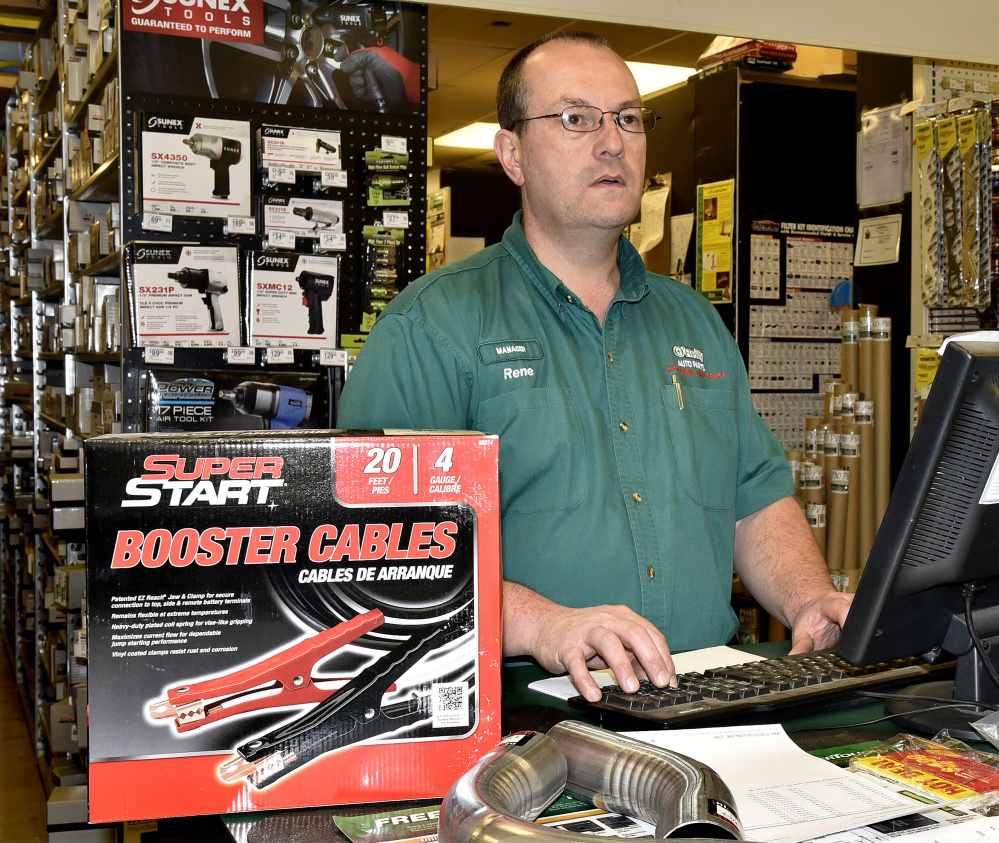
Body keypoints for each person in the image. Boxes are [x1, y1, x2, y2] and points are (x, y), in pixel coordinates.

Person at [337, 31, 852, 702]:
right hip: (519, 716)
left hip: (709, 702)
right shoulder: (432, 326)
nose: (612, 141)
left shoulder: (694, 321)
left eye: (628, 118)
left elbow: (752, 501)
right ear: (512, 153)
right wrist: (542, 622)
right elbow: (377, 548)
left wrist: (808, 598)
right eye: (576, 118)